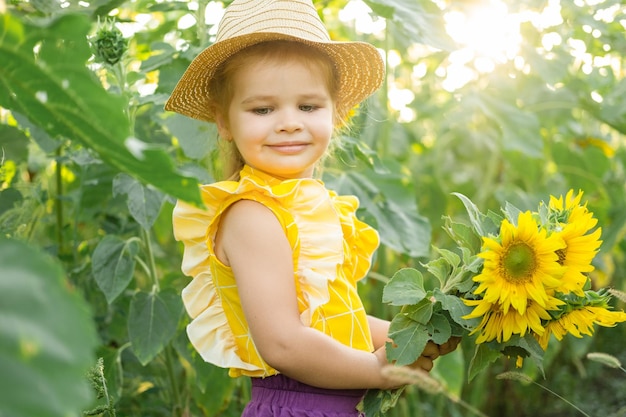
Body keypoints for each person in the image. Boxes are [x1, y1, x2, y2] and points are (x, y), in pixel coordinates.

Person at [166, 1, 460, 416]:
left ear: (336, 113)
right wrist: (376, 371)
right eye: (263, 109)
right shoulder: (252, 215)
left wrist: (410, 334)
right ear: (224, 121)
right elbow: (283, 342)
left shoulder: (310, 206)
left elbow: (338, 318)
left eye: (308, 106)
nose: (289, 122)